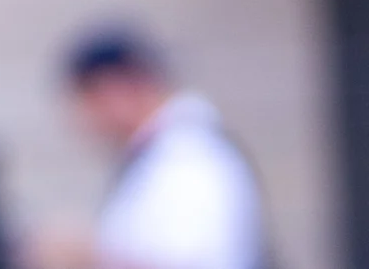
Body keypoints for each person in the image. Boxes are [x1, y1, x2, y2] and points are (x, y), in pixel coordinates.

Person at [51, 27, 266, 269]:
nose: (80, 120)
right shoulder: (157, 154)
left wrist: (88, 258)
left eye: (86, 100)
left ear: (120, 88)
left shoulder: (189, 157)